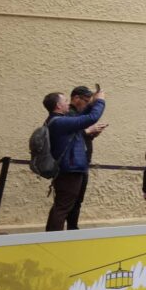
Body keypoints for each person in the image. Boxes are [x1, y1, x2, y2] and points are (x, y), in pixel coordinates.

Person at [42, 88, 107, 231]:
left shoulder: (59, 120)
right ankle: (53, 238)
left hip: (69, 168)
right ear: (58, 106)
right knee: (63, 206)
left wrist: (92, 103)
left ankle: (57, 235)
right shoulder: (59, 122)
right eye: (65, 101)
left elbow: (82, 116)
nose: (68, 103)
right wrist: (101, 100)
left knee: (65, 204)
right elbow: (91, 118)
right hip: (69, 169)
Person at [65, 85, 108, 229]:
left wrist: (90, 134)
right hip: (70, 165)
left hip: (81, 163)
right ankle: (54, 235)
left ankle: (72, 229)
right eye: (86, 101)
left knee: (77, 201)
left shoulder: (76, 115)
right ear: (76, 98)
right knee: (64, 204)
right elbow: (69, 138)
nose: (87, 105)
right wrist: (100, 102)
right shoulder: (68, 114)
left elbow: (78, 137)